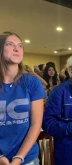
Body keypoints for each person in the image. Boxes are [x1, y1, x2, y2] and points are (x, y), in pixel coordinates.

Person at [0, 31, 46, 165]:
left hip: (27, 158)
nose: (17, 49)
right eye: (10, 44)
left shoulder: (32, 82)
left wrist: (19, 157)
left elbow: (36, 124)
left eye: (20, 46)